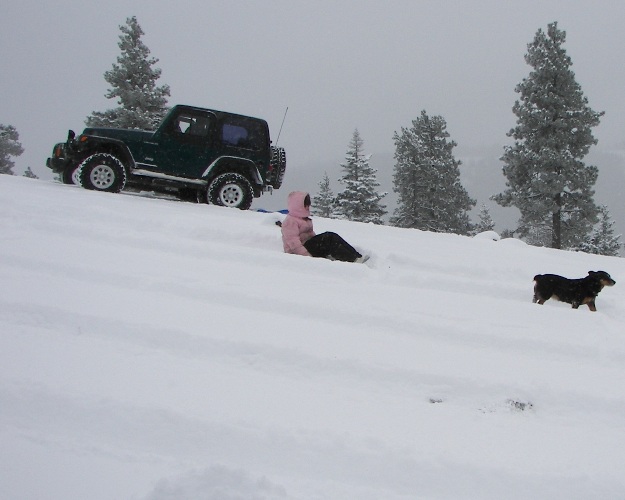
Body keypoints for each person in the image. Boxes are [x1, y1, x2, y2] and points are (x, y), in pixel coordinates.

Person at [281, 191, 369, 263]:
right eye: (305, 204)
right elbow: (293, 244)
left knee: (331, 237)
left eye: (309, 204)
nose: (308, 207)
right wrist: (307, 257)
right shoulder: (290, 221)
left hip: (307, 248)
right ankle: (352, 259)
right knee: (328, 238)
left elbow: (311, 236)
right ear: (298, 205)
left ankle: (356, 256)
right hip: (297, 253)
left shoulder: (303, 219)